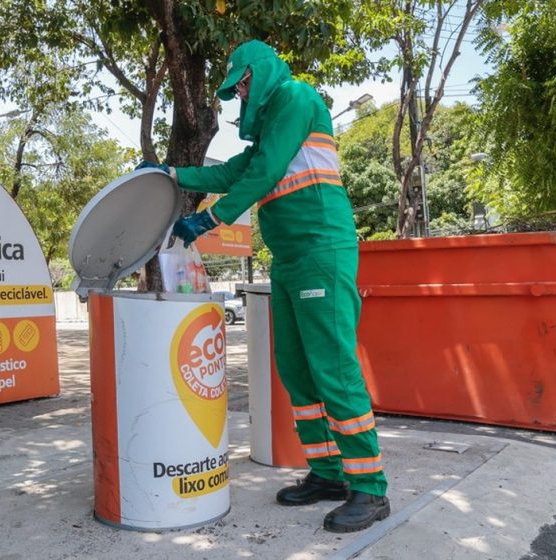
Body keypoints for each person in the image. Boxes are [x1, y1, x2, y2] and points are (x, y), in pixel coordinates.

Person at [139, 39, 389, 533]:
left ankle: (370, 487)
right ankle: (327, 474)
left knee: (333, 368)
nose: (242, 94)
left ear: (261, 72)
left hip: (322, 248)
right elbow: (238, 170)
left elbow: (269, 170)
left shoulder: (295, 99)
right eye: (236, 90)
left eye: (245, 82)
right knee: (297, 370)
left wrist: (208, 219)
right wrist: (171, 172)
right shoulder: (270, 129)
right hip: (291, 258)